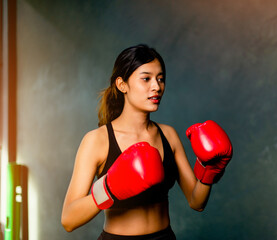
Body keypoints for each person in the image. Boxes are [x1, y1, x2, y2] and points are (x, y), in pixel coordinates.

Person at [61, 44, 233, 240]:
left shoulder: (168, 135)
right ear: (121, 84)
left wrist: (209, 170)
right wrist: (108, 189)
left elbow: (197, 202)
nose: (156, 87)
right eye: (146, 79)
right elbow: (68, 220)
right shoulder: (97, 140)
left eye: (160, 79)